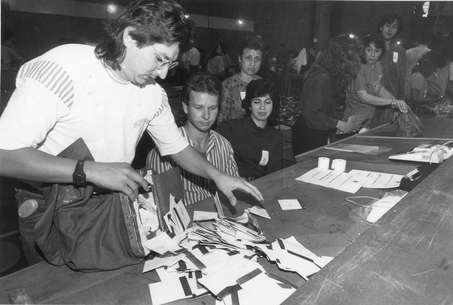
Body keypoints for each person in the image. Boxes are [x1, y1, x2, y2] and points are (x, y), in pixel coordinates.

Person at [0, 0, 262, 264]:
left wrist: (217, 176)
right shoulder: (64, 68)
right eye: (159, 59)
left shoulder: (152, 94)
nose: (161, 73)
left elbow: (177, 147)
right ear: (130, 38)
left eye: (169, 64)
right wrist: (90, 170)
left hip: (105, 205)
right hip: (50, 206)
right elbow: (4, 156)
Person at [146, 73, 239, 205]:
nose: (206, 116)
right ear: (185, 107)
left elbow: (234, 192)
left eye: (212, 108)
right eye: (199, 108)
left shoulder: (224, 145)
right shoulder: (162, 153)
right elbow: (162, 207)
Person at [292, 34, 363, 155]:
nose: (357, 61)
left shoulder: (329, 75)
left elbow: (325, 109)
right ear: (343, 57)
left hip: (317, 132)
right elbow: (311, 114)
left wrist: (343, 122)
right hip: (309, 134)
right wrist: (340, 124)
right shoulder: (322, 77)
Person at [218, 79, 282, 180]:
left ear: (274, 105)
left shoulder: (275, 137)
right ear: (249, 105)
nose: (262, 107)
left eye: (267, 102)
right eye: (257, 102)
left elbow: (274, 175)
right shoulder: (229, 129)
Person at [343, 33, 408, 131]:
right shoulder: (358, 68)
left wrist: (397, 102)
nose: (372, 55)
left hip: (368, 121)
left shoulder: (378, 66)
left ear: (382, 53)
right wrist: (392, 102)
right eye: (369, 50)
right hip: (352, 122)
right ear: (362, 50)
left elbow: (378, 88)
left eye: (377, 51)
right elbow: (364, 97)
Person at [371, 14, 407, 126]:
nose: (390, 30)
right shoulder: (371, 48)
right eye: (387, 25)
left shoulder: (399, 50)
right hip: (371, 101)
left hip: (391, 103)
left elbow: (402, 78)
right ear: (381, 27)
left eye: (394, 27)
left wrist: (400, 102)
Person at [218, 35, 263, 123]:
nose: (252, 63)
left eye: (257, 59)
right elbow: (222, 118)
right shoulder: (229, 85)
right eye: (248, 58)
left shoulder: (262, 83)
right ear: (240, 59)